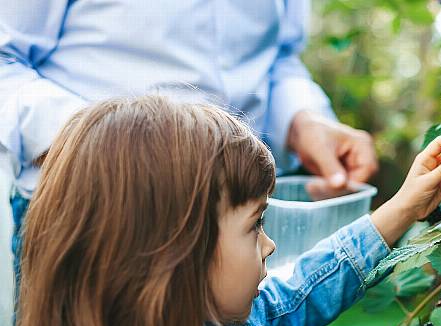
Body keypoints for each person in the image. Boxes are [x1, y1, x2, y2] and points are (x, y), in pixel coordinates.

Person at [14, 96, 441, 326]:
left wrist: (403, 208)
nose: (269, 245)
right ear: (176, 252)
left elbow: (306, 288)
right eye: (254, 226)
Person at [0, 0, 378, 300]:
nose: (273, 248)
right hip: (93, 218)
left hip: (228, 227)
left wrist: (300, 119)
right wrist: (117, 153)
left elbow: (279, 56)